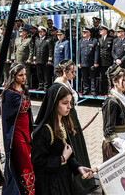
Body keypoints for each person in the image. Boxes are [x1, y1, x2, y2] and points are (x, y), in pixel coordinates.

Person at [31, 84, 94, 194]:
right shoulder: (45, 130)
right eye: (65, 103)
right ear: (54, 104)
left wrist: (78, 167)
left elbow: (68, 153)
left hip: (64, 180)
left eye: (70, 103)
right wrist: (62, 159)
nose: (69, 107)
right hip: (50, 185)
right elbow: (38, 162)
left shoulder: (63, 123)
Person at [47, 60, 97, 194]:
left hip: (72, 118)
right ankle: (78, 183)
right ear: (65, 71)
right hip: (65, 120)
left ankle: (85, 179)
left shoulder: (67, 84)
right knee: (72, 148)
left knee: (79, 146)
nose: (75, 74)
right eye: (72, 72)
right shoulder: (58, 86)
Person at [1, 63, 34, 195]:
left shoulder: (25, 91)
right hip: (16, 133)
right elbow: (7, 119)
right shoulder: (9, 94)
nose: (23, 77)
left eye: (25, 74)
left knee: (26, 161)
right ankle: (29, 192)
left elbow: (29, 113)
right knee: (26, 165)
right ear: (14, 76)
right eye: (20, 75)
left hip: (26, 131)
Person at [78, 28, 99, 96]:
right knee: (84, 77)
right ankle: (86, 89)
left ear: (89, 33)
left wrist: (96, 62)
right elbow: (79, 52)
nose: (84, 33)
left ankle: (93, 90)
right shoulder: (81, 41)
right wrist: (79, 62)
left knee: (92, 77)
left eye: (85, 32)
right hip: (83, 62)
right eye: (83, 32)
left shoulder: (94, 41)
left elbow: (96, 52)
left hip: (91, 62)